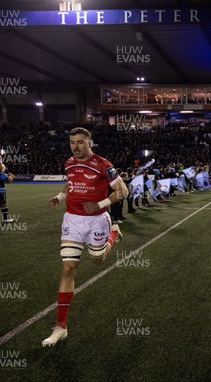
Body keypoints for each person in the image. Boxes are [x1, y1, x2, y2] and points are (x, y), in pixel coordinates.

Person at [42, 127, 128, 347]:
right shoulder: (69, 163)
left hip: (97, 220)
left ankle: (113, 233)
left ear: (90, 143)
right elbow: (71, 182)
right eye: (72, 142)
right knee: (68, 268)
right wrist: (60, 196)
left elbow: (123, 191)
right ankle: (61, 326)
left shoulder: (103, 164)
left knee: (97, 260)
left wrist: (99, 204)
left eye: (80, 142)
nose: (76, 147)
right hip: (72, 219)